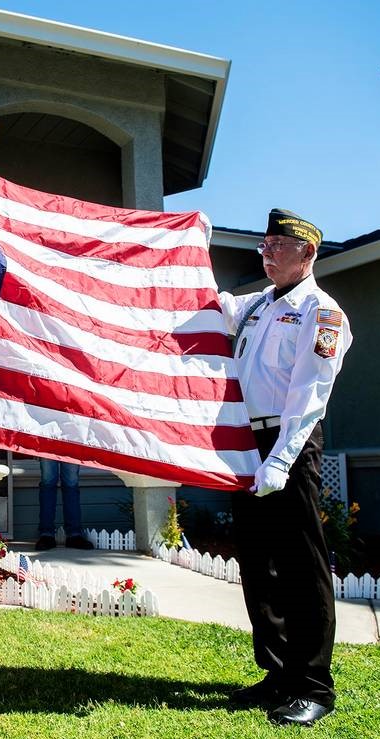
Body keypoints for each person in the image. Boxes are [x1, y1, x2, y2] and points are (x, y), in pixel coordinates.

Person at [218, 208, 351, 727]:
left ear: (308, 253)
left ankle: (313, 684)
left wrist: (280, 460)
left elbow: (309, 395)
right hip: (247, 441)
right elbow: (214, 306)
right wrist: (187, 249)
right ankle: (276, 673)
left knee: (301, 564)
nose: (267, 253)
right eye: (264, 246)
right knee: (257, 563)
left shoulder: (323, 312)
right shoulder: (257, 306)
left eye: (278, 245)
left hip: (288, 442)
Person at [35, 459, 93, 550]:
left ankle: (74, 535)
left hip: (72, 445)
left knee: (71, 484)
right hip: (48, 445)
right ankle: (46, 535)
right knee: (48, 483)